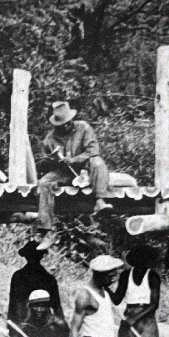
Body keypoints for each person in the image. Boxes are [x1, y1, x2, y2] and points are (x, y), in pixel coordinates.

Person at [33, 102, 113, 249]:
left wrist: (74, 160)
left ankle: (100, 200)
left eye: (67, 123)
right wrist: (52, 160)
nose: (65, 126)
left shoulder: (83, 127)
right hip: (64, 172)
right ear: (55, 124)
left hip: (86, 168)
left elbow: (93, 150)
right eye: (61, 124)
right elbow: (41, 163)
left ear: (71, 120)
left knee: (98, 162)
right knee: (44, 183)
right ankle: (48, 231)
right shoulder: (50, 138)